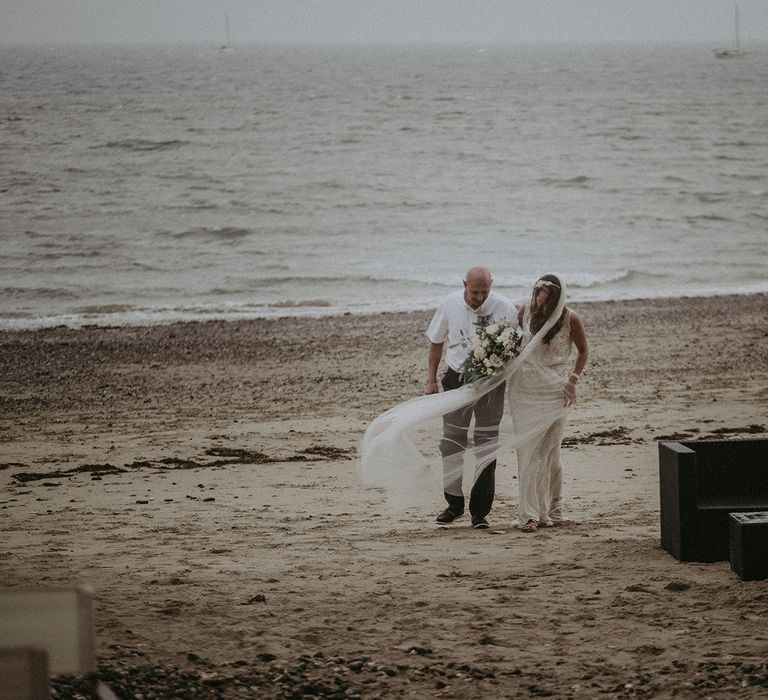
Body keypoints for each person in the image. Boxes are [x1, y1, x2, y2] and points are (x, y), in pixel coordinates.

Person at [425, 266, 513, 529]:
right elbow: (436, 341)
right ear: (464, 284)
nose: (479, 297)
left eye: (484, 292)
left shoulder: (504, 307)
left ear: (491, 285)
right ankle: (454, 504)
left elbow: (515, 348)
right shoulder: (450, 303)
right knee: (452, 442)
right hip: (456, 379)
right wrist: (431, 379)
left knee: (487, 444)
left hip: (491, 383)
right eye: (474, 292)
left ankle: (480, 512)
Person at [510, 274, 589, 533]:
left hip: (555, 389)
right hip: (524, 389)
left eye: (543, 292)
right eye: (537, 291)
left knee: (550, 453)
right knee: (527, 452)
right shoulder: (525, 312)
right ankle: (530, 514)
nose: (538, 296)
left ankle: (554, 508)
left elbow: (583, 350)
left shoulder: (570, 318)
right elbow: (513, 344)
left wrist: (573, 381)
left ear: (554, 295)